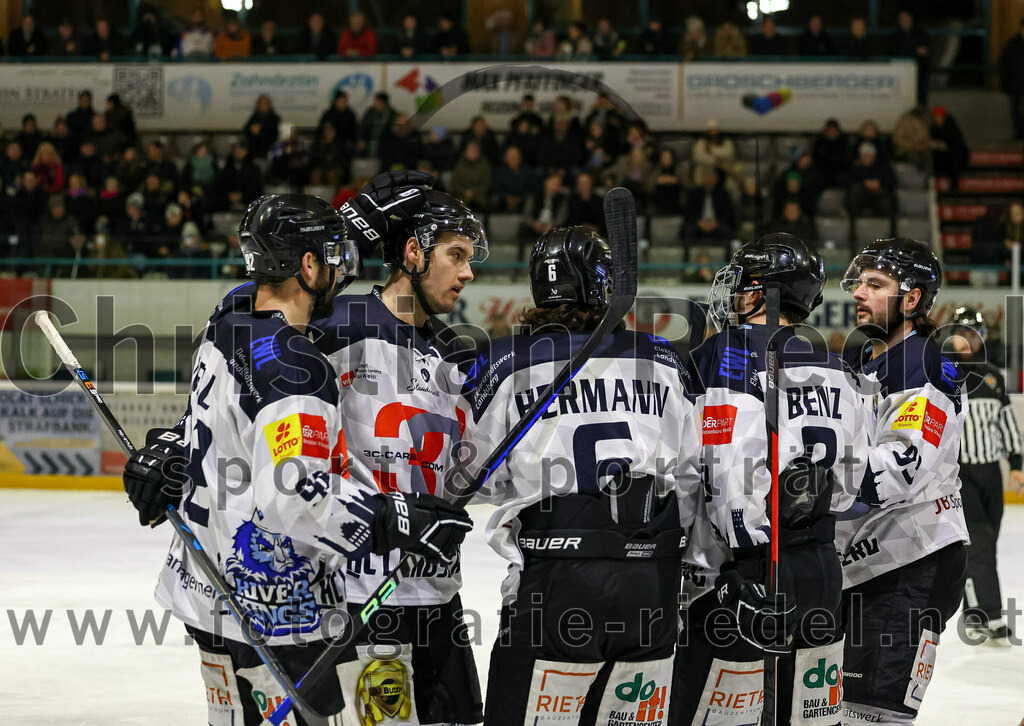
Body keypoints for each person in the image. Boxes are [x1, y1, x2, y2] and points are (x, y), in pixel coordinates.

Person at [120, 193, 473, 725]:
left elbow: (217, 426)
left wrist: (173, 446)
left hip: (200, 590)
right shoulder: (298, 365)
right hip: (272, 608)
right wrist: (392, 517)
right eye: (333, 256)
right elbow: (294, 495)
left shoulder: (228, 323)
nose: (342, 272)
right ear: (307, 265)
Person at [458, 225, 702, 725]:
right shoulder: (664, 356)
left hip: (557, 581)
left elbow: (468, 476)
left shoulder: (506, 361)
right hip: (651, 583)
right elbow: (694, 470)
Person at [672, 233, 869, 725]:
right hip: (821, 570)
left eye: (743, 285)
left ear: (763, 292)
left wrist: (743, 560)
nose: (734, 296)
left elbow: (727, 470)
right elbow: (850, 482)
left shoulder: (727, 353)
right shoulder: (840, 368)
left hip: (746, 576)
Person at [323, 174, 489, 723]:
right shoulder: (337, 327)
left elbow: (471, 470)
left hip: (438, 593)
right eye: (456, 255)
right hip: (360, 592)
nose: (468, 273)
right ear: (414, 252)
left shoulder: (455, 355)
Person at [837, 237, 969, 724]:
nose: (859, 293)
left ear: (911, 299)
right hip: (868, 568)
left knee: (870, 715)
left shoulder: (926, 367)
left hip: (911, 566)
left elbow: (896, 473)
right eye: (860, 283)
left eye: (876, 284)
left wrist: (810, 489)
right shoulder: (869, 364)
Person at [946, 306, 1023, 645]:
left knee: (985, 545)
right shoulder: (944, 375)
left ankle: (974, 612)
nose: (967, 341)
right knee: (979, 545)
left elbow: (1006, 424)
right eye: (961, 334)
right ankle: (988, 616)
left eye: (972, 334)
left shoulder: (992, 376)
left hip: (991, 472)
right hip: (962, 476)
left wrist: (1017, 465)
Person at [999, 18, 1024, 140]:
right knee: (1015, 111)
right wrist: (1006, 83)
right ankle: (1019, 133)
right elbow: (1004, 64)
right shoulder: (1013, 44)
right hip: (1015, 84)